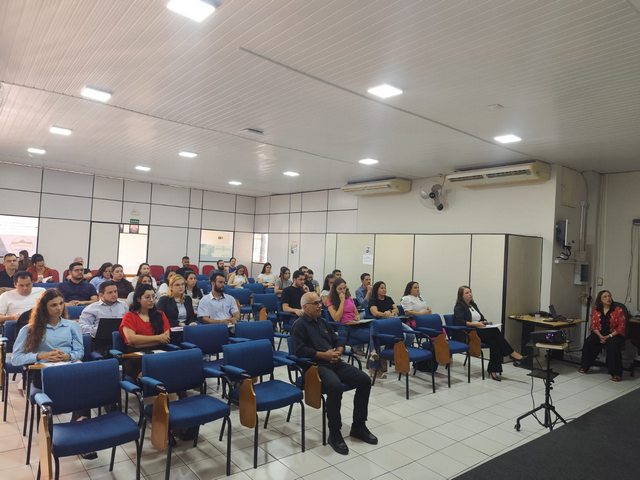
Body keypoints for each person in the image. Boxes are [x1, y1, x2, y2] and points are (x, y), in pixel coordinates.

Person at [291, 292, 377, 455]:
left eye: (319, 302)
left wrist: (338, 351)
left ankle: (358, 426)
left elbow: (337, 340)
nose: (320, 305)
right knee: (335, 387)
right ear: (305, 307)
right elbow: (300, 350)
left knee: (364, 380)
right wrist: (323, 355)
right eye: (316, 303)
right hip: (315, 367)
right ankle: (335, 432)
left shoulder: (322, 322)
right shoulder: (299, 325)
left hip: (334, 362)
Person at [11, 289, 94, 458]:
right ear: (44, 307)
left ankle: (82, 430)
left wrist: (67, 356)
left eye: (61, 303)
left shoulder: (72, 325)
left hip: (68, 367)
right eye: (53, 305)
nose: (59, 308)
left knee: (84, 386)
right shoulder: (29, 329)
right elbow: (16, 359)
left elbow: (79, 352)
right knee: (77, 387)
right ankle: (75, 427)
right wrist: (41, 356)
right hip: (43, 372)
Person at [454, 285, 526, 381]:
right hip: (469, 333)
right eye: (467, 293)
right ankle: (511, 353)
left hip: (479, 330)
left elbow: (481, 318)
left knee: (494, 341)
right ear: (461, 295)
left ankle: (493, 371)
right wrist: (476, 324)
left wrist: (485, 322)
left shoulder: (473, 305)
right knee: (495, 331)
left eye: (470, 292)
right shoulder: (459, 306)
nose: (470, 294)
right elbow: (460, 322)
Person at [120, 284, 171, 381]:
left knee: (170, 371)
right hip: (135, 355)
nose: (152, 300)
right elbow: (132, 339)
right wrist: (158, 338)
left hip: (157, 352)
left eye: (153, 296)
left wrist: (140, 342)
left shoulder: (160, 315)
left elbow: (165, 338)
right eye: (147, 297)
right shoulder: (129, 316)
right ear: (138, 299)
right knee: (147, 377)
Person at [367, 281, 415, 377]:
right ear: (376, 290)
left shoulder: (388, 299)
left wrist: (390, 312)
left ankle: (400, 355)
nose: (384, 290)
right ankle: (395, 358)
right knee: (402, 336)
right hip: (381, 323)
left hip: (393, 321)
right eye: (382, 288)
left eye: (385, 288)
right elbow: (375, 313)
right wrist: (385, 314)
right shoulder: (373, 300)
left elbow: (396, 310)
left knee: (411, 333)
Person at [580, 290, 626, 381]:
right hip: (600, 333)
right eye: (605, 297)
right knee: (589, 341)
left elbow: (621, 328)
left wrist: (608, 336)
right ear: (600, 299)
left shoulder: (618, 310)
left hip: (614, 334)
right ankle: (585, 366)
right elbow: (594, 326)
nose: (608, 298)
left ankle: (615, 373)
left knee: (613, 345)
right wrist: (600, 336)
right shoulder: (595, 310)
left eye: (609, 296)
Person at [327, 278, 369, 356]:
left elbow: (357, 314)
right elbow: (336, 318)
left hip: (355, 323)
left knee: (374, 326)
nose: (343, 291)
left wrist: (358, 317)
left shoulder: (349, 298)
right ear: (335, 290)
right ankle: (373, 355)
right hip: (346, 326)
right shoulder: (331, 301)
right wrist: (342, 301)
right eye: (340, 289)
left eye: (344, 288)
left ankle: (373, 354)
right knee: (373, 335)